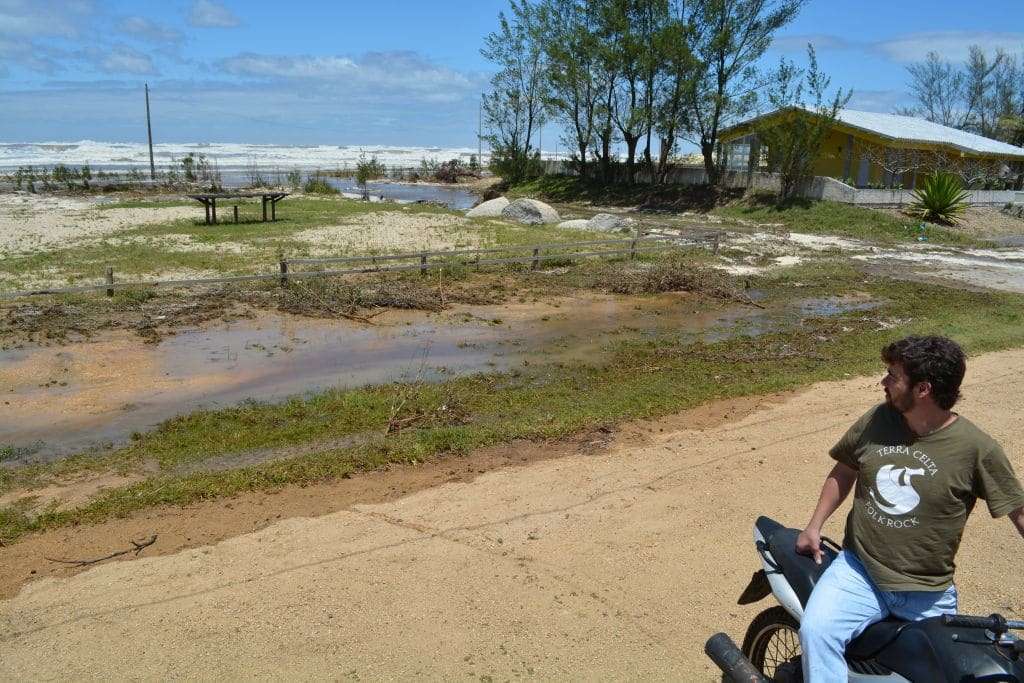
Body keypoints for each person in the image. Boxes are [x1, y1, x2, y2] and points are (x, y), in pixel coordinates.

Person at [796, 335, 1024, 682]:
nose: (883, 382)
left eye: (892, 375)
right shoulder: (877, 419)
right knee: (816, 632)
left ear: (923, 389)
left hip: (928, 593)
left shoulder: (977, 448)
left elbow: (1019, 512)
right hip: (860, 572)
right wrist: (814, 526)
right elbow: (845, 469)